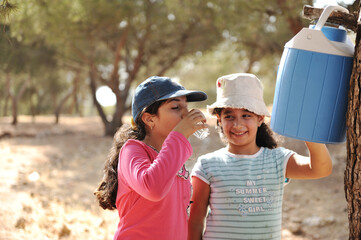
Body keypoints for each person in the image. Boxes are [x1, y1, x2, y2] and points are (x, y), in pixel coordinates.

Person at [187, 73, 332, 240]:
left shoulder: (278, 159)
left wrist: (309, 133)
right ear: (219, 119)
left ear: (260, 118)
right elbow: (196, 221)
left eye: (246, 115)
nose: (237, 124)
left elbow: (320, 169)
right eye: (229, 116)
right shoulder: (207, 164)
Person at [94, 76, 208, 240]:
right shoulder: (132, 150)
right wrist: (179, 136)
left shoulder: (172, 155)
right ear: (149, 119)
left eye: (186, 106)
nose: (186, 114)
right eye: (176, 107)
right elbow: (153, 188)